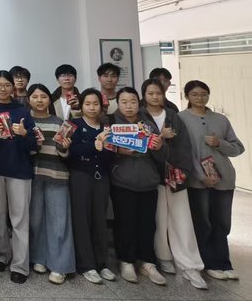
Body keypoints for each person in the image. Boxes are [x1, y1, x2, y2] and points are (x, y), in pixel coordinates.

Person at [141, 79, 206, 289]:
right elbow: (142, 145)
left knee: (182, 220)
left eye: (158, 93)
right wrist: (161, 136)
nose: (154, 97)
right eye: (150, 93)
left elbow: (184, 146)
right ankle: (164, 257)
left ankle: (190, 264)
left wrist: (184, 171)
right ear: (144, 95)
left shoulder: (173, 115)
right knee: (159, 220)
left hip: (175, 175)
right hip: (152, 176)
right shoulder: (140, 117)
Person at [180, 80, 245, 281]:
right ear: (187, 96)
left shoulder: (221, 119)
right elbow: (184, 152)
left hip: (224, 179)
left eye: (203, 94)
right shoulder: (182, 118)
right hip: (198, 181)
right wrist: (201, 176)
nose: (200, 98)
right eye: (195, 94)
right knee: (203, 222)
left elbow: (238, 148)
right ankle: (208, 263)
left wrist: (219, 143)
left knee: (222, 223)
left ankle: (224, 263)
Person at [103, 87, 168, 285]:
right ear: (118, 104)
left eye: (132, 102)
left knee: (148, 223)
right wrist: (117, 150)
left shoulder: (147, 124)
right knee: (125, 222)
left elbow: (161, 155)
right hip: (123, 181)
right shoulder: (110, 123)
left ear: (138, 103)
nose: (129, 106)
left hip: (148, 181)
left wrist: (159, 147)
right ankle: (127, 260)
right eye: (124, 102)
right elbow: (102, 150)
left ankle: (147, 261)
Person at [0, 70, 38, 284]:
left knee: (19, 219)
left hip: (19, 171)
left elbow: (34, 145)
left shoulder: (22, 110)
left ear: (13, 87)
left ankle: (20, 265)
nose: (3, 89)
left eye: (7, 85)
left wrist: (24, 134)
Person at [26, 84, 76, 284]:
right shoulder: (25, 122)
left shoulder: (60, 123)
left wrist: (64, 148)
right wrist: (32, 144)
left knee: (59, 221)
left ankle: (59, 265)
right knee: (35, 220)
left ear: (49, 99)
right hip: (33, 176)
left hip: (57, 175)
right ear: (28, 99)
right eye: (35, 96)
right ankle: (39, 258)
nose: (39, 100)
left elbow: (66, 154)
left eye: (43, 96)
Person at [68, 88, 115, 285]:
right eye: (87, 104)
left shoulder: (107, 127)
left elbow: (111, 153)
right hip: (80, 176)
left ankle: (102, 263)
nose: (92, 107)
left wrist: (104, 145)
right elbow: (70, 150)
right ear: (81, 105)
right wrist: (94, 144)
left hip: (101, 177)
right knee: (82, 219)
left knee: (99, 219)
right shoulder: (74, 124)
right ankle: (86, 265)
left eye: (95, 104)